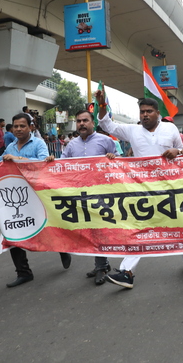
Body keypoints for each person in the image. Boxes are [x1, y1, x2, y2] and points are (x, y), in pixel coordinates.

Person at [96, 93, 183, 289]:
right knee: (138, 228)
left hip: (169, 188)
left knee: (180, 224)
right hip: (143, 190)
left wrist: (177, 151)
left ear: (157, 113)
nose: (145, 115)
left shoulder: (170, 128)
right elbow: (107, 125)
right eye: (142, 112)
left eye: (148, 111)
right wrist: (102, 104)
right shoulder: (133, 131)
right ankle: (127, 272)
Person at [0, 113, 72, 288]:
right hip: (16, 196)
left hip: (37, 194)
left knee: (47, 226)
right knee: (12, 228)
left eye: (22, 126)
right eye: (16, 126)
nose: (19, 129)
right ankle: (23, 272)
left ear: (31, 127)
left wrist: (19, 160)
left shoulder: (38, 143)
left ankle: (62, 249)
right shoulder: (11, 146)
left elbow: (43, 162)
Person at [58, 110, 118, 285]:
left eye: (85, 120)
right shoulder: (71, 145)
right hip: (78, 194)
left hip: (100, 193)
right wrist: (50, 161)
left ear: (93, 123)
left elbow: (119, 164)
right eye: (78, 121)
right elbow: (61, 165)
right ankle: (102, 263)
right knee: (88, 230)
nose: (81, 124)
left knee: (98, 228)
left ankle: (100, 266)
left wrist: (112, 158)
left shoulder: (106, 141)